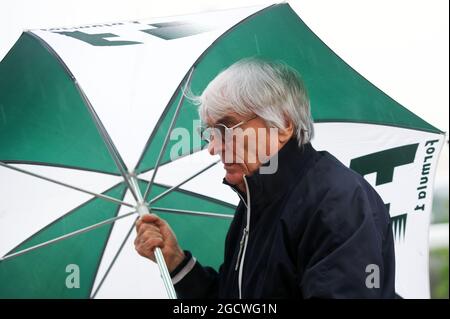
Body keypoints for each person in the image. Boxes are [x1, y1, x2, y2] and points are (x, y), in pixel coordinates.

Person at [135, 58, 396, 298]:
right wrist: (176, 263)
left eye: (225, 128)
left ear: (282, 126)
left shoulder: (337, 202)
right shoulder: (254, 204)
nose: (213, 148)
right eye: (211, 133)